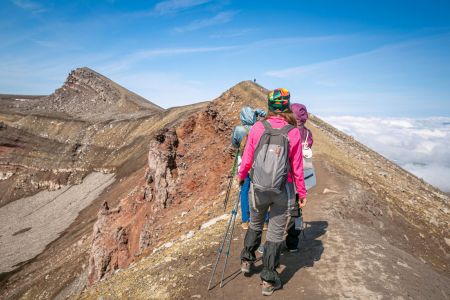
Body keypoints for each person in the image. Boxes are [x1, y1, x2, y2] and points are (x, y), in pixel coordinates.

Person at [238, 88, 307, 296]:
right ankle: (268, 280)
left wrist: (242, 177)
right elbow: (297, 168)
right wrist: (301, 193)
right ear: (286, 106)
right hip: (282, 189)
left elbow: (248, 158)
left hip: (258, 187)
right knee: (275, 234)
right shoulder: (293, 132)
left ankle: (247, 260)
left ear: (269, 106)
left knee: (255, 223)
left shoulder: (258, 128)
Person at [231, 106, 269, 230]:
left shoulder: (238, 129)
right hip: (259, 163)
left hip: (244, 163)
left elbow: (234, 144)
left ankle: (245, 221)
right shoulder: (259, 127)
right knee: (261, 190)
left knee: (244, 191)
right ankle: (265, 220)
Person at [285, 103, 314, 252]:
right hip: (302, 179)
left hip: (286, 178)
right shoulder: (308, 134)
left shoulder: (288, 131)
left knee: (278, 210)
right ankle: (293, 243)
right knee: (297, 212)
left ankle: (274, 243)